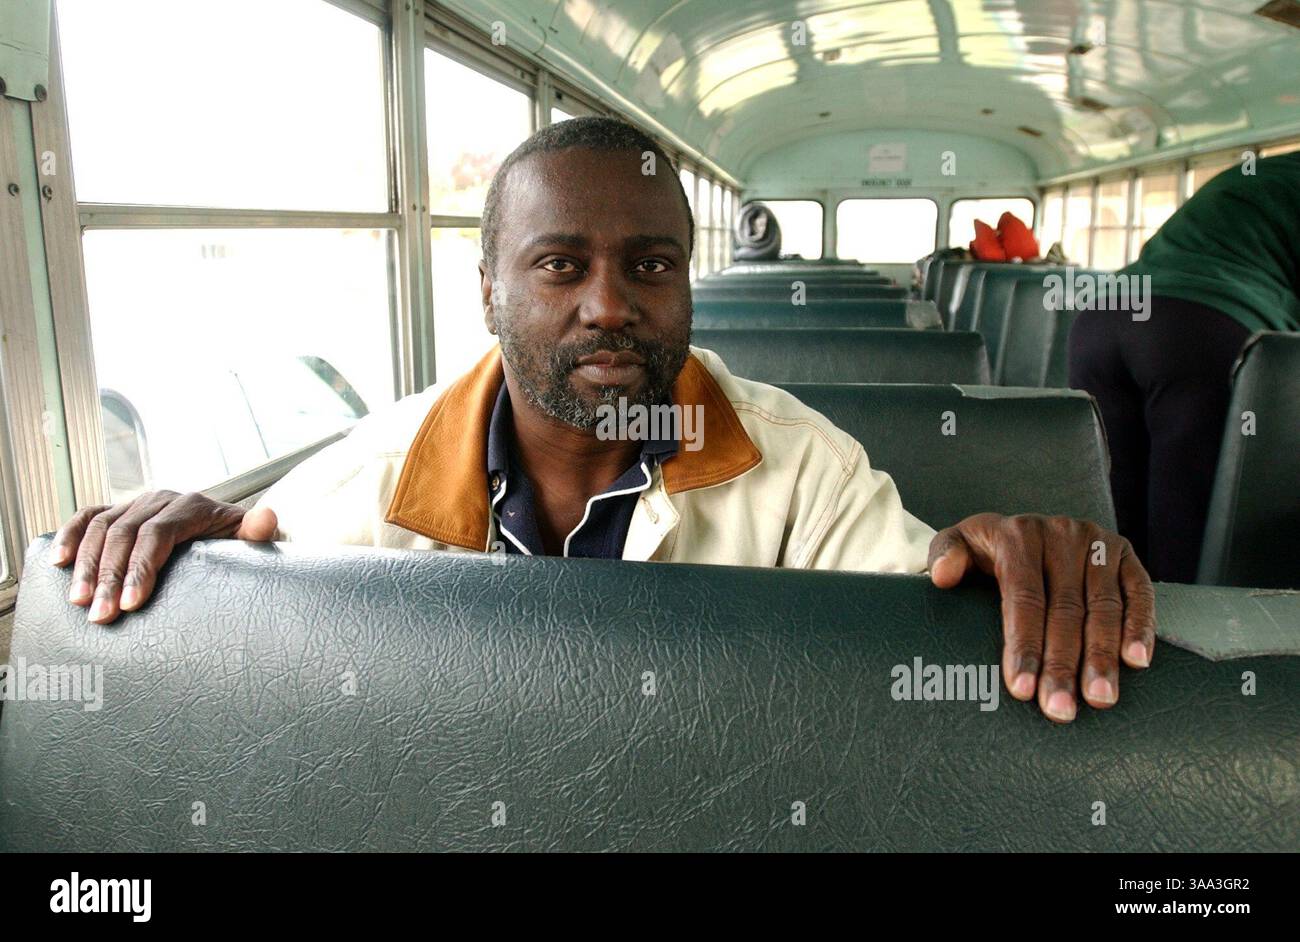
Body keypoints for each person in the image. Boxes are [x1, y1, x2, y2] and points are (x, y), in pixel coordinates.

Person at [51, 117, 1155, 724]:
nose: (609, 306)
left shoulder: (802, 468)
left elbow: (933, 610)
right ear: (486, 287)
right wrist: (178, 550)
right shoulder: (362, 486)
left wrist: (1015, 560)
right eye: (559, 265)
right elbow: (248, 604)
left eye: (649, 264)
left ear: (688, 284)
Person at [1068, 151, 1300, 583]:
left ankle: (1100, 638)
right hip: (1198, 334)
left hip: (1102, 319)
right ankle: (1177, 646)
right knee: (1185, 542)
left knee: (1107, 522)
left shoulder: (1263, 173)